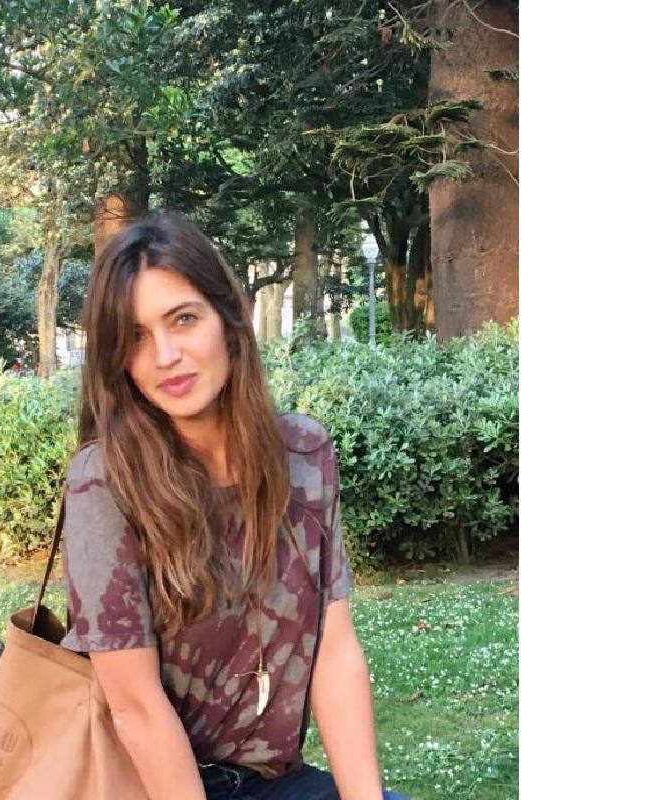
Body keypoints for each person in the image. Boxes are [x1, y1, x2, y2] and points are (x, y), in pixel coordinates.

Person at [59, 212, 409, 800]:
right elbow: (136, 706)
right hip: (153, 785)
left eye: (183, 319)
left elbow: (334, 650)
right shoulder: (107, 482)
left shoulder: (303, 454)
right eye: (136, 336)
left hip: (273, 781)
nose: (165, 355)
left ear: (232, 317)